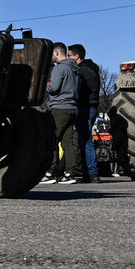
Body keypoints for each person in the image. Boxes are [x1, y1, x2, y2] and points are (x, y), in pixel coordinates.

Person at [40, 42, 80, 184]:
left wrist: (45, 85)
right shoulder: (74, 69)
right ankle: (70, 173)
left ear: (57, 53)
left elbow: (54, 88)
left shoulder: (59, 68)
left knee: (52, 139)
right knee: (67, 141)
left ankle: (50, 172)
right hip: (72, 107)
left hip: (59, 107)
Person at [69, 44, 102, 184]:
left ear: (77, 56)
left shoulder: (81, 71)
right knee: (84, 140)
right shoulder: (92, 69)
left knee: (86, 140)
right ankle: (88, 173)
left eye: (70, 55)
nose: (68, 58)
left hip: (85, 107)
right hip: (92, 106)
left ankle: (92, 173)